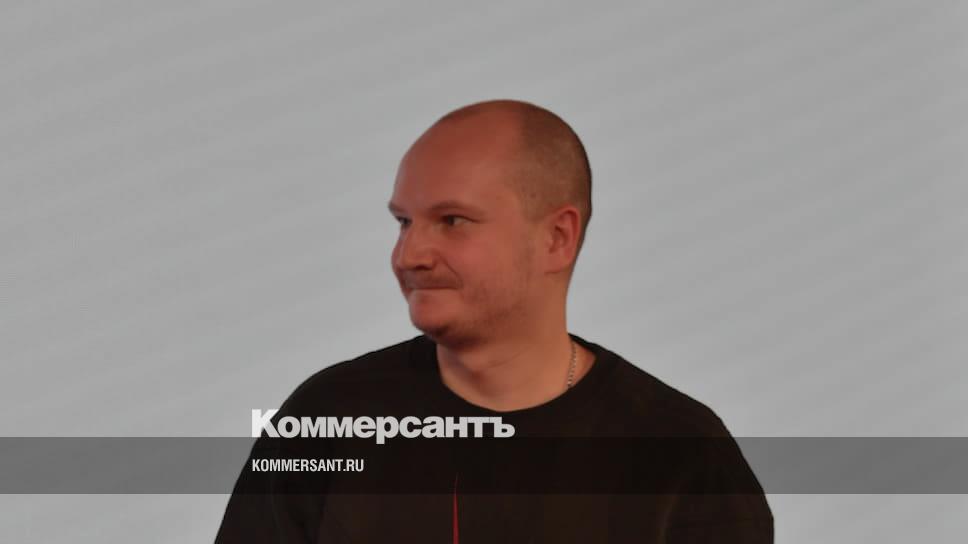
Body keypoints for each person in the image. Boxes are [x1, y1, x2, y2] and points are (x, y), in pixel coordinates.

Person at [215, 99, 774, 543]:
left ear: (556, 238)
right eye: (404, 222)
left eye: (452, 220)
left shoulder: (680, 451)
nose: (409, 255)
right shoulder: (329, 417)